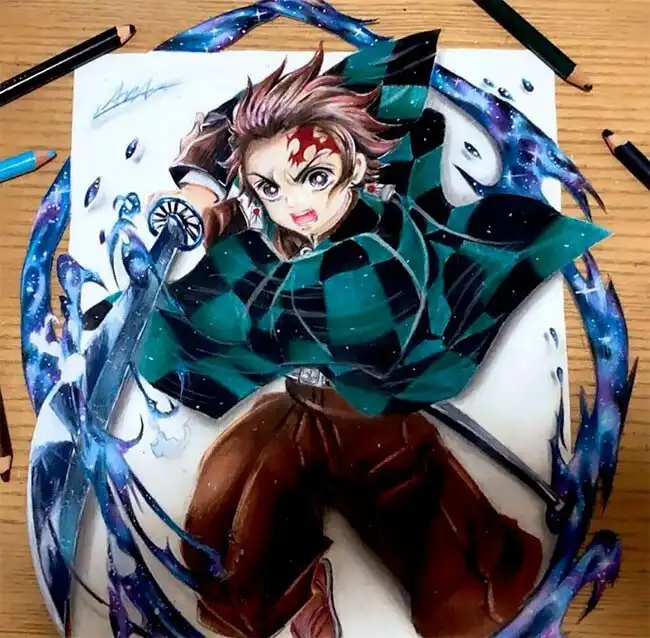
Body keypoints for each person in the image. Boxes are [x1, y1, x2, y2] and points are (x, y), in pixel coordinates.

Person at [106, 30, 607, 637]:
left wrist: (194, 266)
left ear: (357, 166)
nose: (295, 204)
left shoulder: (379, 255)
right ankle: (300, 598)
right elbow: (249, 147)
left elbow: (270, 309)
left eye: (315, 176)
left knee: (459, 580)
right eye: (270, 187)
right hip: (302, 409)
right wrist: (204, 185)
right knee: (228, 520)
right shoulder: (292, 220)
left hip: (375, 426)